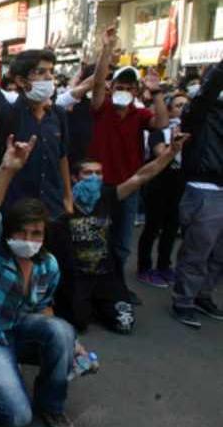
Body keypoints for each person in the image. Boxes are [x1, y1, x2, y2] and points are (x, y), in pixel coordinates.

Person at [0, 134, 77, 427]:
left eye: (36, 234)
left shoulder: (47, 265)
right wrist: (7, 169)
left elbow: (45, 308)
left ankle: (50, 404)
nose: (28, 240)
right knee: (18, 417)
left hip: (17, 329)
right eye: (21, 232)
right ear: (9, 232)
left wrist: (75, 345)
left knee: (63, 331)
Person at [48, 132, 187, 335]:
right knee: (77, 323)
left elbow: (141, 176)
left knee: (124, 323)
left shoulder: (107, 196)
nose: (95, 178)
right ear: (74, 177)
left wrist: (170, 152)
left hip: (106, 276)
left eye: (99, 173)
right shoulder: (63, 204)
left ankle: (98, 304)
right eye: (88, 173)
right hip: (77, 277)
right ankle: (86, 306)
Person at [0, 7, 72, 219]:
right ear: (21, 81)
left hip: (53, 211)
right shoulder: (9, 114)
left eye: (51, 72)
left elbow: (62, 158)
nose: (49, 78)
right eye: (40, 72)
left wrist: (67, 197)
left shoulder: (58, 115)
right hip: (15, 216)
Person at [86, 29, 169, 305]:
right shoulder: (102, 107)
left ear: (135, 91)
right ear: (113, 88)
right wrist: (106, 51)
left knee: (121, 243)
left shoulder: (140, 114)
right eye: (119, 86)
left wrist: (157, 92)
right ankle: (94, 289)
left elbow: (162, 123)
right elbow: (97, 85)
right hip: (99, 186)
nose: (123, 91)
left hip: (129, 186)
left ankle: (118, 286)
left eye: (129, 87)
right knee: (95, 239)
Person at [171, 58, 223, 329]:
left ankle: (204, 295)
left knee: (218, 254)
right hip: (204, 190)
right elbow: (208, 91)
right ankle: (184, 300)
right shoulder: (200, 113)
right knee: (197, 251)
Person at [136, 93, 189, 287]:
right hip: (158, 185)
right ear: (169, 110)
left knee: (171, 228)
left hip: (179, 186)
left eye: (185, 105)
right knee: (152, 227)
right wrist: (175, 145)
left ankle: (164, 266)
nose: (182, 109)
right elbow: (159, 152)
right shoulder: (160, 131)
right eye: (178, 105)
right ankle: (144, 267)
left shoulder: (193, 131)